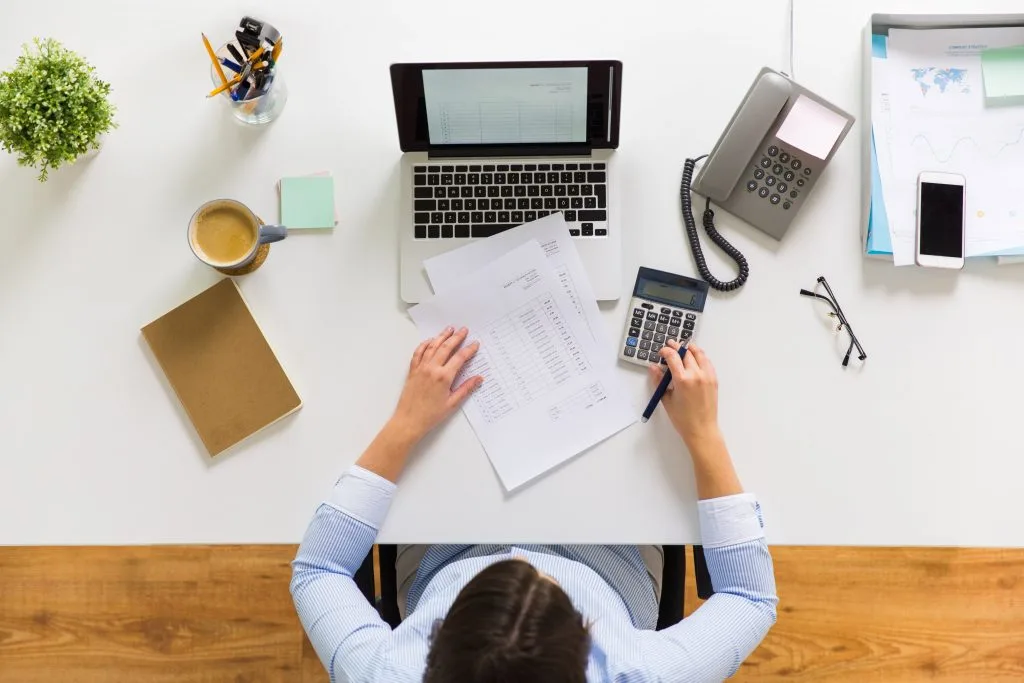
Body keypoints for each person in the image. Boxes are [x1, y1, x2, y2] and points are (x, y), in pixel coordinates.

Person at [291, 326, 777, 682]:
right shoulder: (641, 672)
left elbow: (318, 569)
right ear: (586, 647)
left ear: (432, 647)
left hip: (448, 552)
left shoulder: (388, 673)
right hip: (611, 561)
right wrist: (703, 434)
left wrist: (405, 423)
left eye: (509, 568)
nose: (520, 555)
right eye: (544, 581)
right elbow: (750, 598)